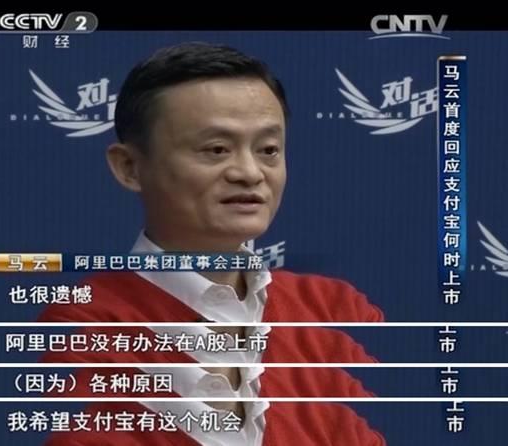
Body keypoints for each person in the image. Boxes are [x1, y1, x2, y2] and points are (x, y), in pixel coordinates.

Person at [40, 41, 385, 445]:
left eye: (269, 150)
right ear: (129, 167)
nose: (249, 172)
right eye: (217, 150)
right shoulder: (82, 323)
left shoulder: (320, 314)